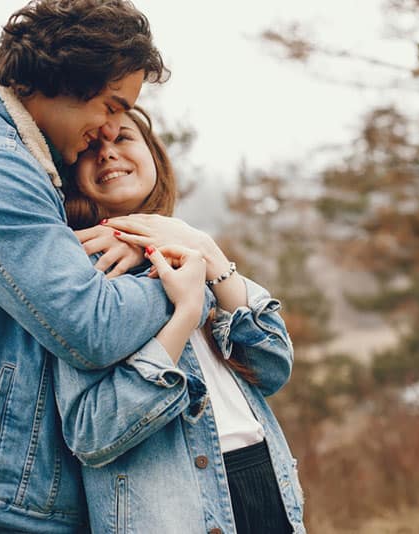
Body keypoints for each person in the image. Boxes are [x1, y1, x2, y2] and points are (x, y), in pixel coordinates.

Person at [0, 1, 180, 532]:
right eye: (110, 104)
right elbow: (92, 327)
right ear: (68, 79)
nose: (109, 127)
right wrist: (186, 276)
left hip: (16, 496)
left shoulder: (31, 163)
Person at [55, 107, 305, 533]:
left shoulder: (191, 246)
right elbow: (92, 433)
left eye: (123, 139)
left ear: (154, 156)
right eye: (91, 146)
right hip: (171, 510)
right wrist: (185, 314)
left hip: (265, 479)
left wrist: (208, 251)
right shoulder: (82, 271)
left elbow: (273, 364)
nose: (108, 154)